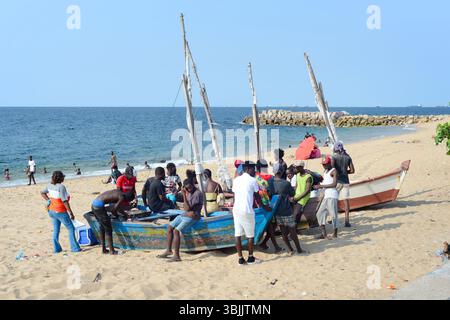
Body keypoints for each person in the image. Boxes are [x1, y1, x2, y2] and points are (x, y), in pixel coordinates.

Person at [232, 161, 270, 265]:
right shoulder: (253, 180)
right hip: (247, 211)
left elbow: (234, 196)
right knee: (250, 236)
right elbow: (257, 197)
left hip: (236, 210)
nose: (255, 171)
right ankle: (250, 258)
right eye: (253, 169)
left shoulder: (236, 180)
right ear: (248, 169)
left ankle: (240, 259)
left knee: (237, 235)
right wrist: (265, 207)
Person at [157, 179, 203, 262]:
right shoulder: (188, 192)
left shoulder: (197, 193)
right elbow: (187, 209)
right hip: (185, 215)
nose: (189, 190)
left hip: (193, 216)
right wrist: (185, 194)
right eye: (187, 188)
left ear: (193, 184)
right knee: (169, 227)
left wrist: (184, 194)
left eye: (190, 188)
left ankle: (177, 256)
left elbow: (187, 208)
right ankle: (168, 250)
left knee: (176, 231)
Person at [40, 171, 81, 253]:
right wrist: (71, 212)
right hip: (60, 211)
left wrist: (48, 200)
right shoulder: (61, 187)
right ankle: (75, 248)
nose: (64, 178)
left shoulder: (49, 185)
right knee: (71, 228)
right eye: (63, 177)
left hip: (51, 210)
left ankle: (57, 249)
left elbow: (42, 192)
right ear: (60, 178)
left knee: (56, 229)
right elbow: (64, 201)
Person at [270, 162, 303, 255]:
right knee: (292, 232)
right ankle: (299, 250)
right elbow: (292, 194)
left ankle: (290, 249)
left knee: (283, 232)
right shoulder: (286, 183)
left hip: (277, 211)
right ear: (281, 172)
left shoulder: (270, 183)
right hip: (286, 211)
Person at [91, 189, 132, 255]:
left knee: (102, 227)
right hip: (99, 207)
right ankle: (112, 251)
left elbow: (116, 208)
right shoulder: (121, 197)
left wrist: (123, 214)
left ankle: (104, 249)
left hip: (94, 205)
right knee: (108, 229)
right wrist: (125, 215)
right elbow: (114, 209)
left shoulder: (118, 191)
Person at [256, 160, 282, 253]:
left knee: (270, 225)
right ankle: (275, 246)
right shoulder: (270, 178)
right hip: (268, 203)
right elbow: (273, 191)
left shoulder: (256, 178)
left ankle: (265, 243)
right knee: (271, 225)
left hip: (259, 204)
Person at [314, 156, 339, 239]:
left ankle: (335, 233)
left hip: (332, 195)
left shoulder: (334, 171)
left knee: (333, 215)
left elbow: (334, 184)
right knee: (319, 213)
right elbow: (326, 181)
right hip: (326, 196)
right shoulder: (325, 171)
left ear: (329, 163)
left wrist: (321, 186)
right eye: (323, 164)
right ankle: (323, 234)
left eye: (325, 164)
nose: (323, 166)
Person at [332, 141, 355, 228]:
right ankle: (347, 221)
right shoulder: (348, 157)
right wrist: (345, 172)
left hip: (337, 181)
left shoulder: (334, 157)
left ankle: (333, 219)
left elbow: (332, 171)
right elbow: (352, 171)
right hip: (345, 181)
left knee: (333, 200)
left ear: (335, 148)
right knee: (346, 201)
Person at [292, 160, 312, 224]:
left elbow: (307, 190)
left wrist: (298, 198)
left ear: (301, 167)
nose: (295, 168)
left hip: (303, 197)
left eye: (296, 167)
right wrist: (293, 195)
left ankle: (294, 230)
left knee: (295, 215)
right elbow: (296, 186)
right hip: (297, 196)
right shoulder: (297, 175)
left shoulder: (308, 177)